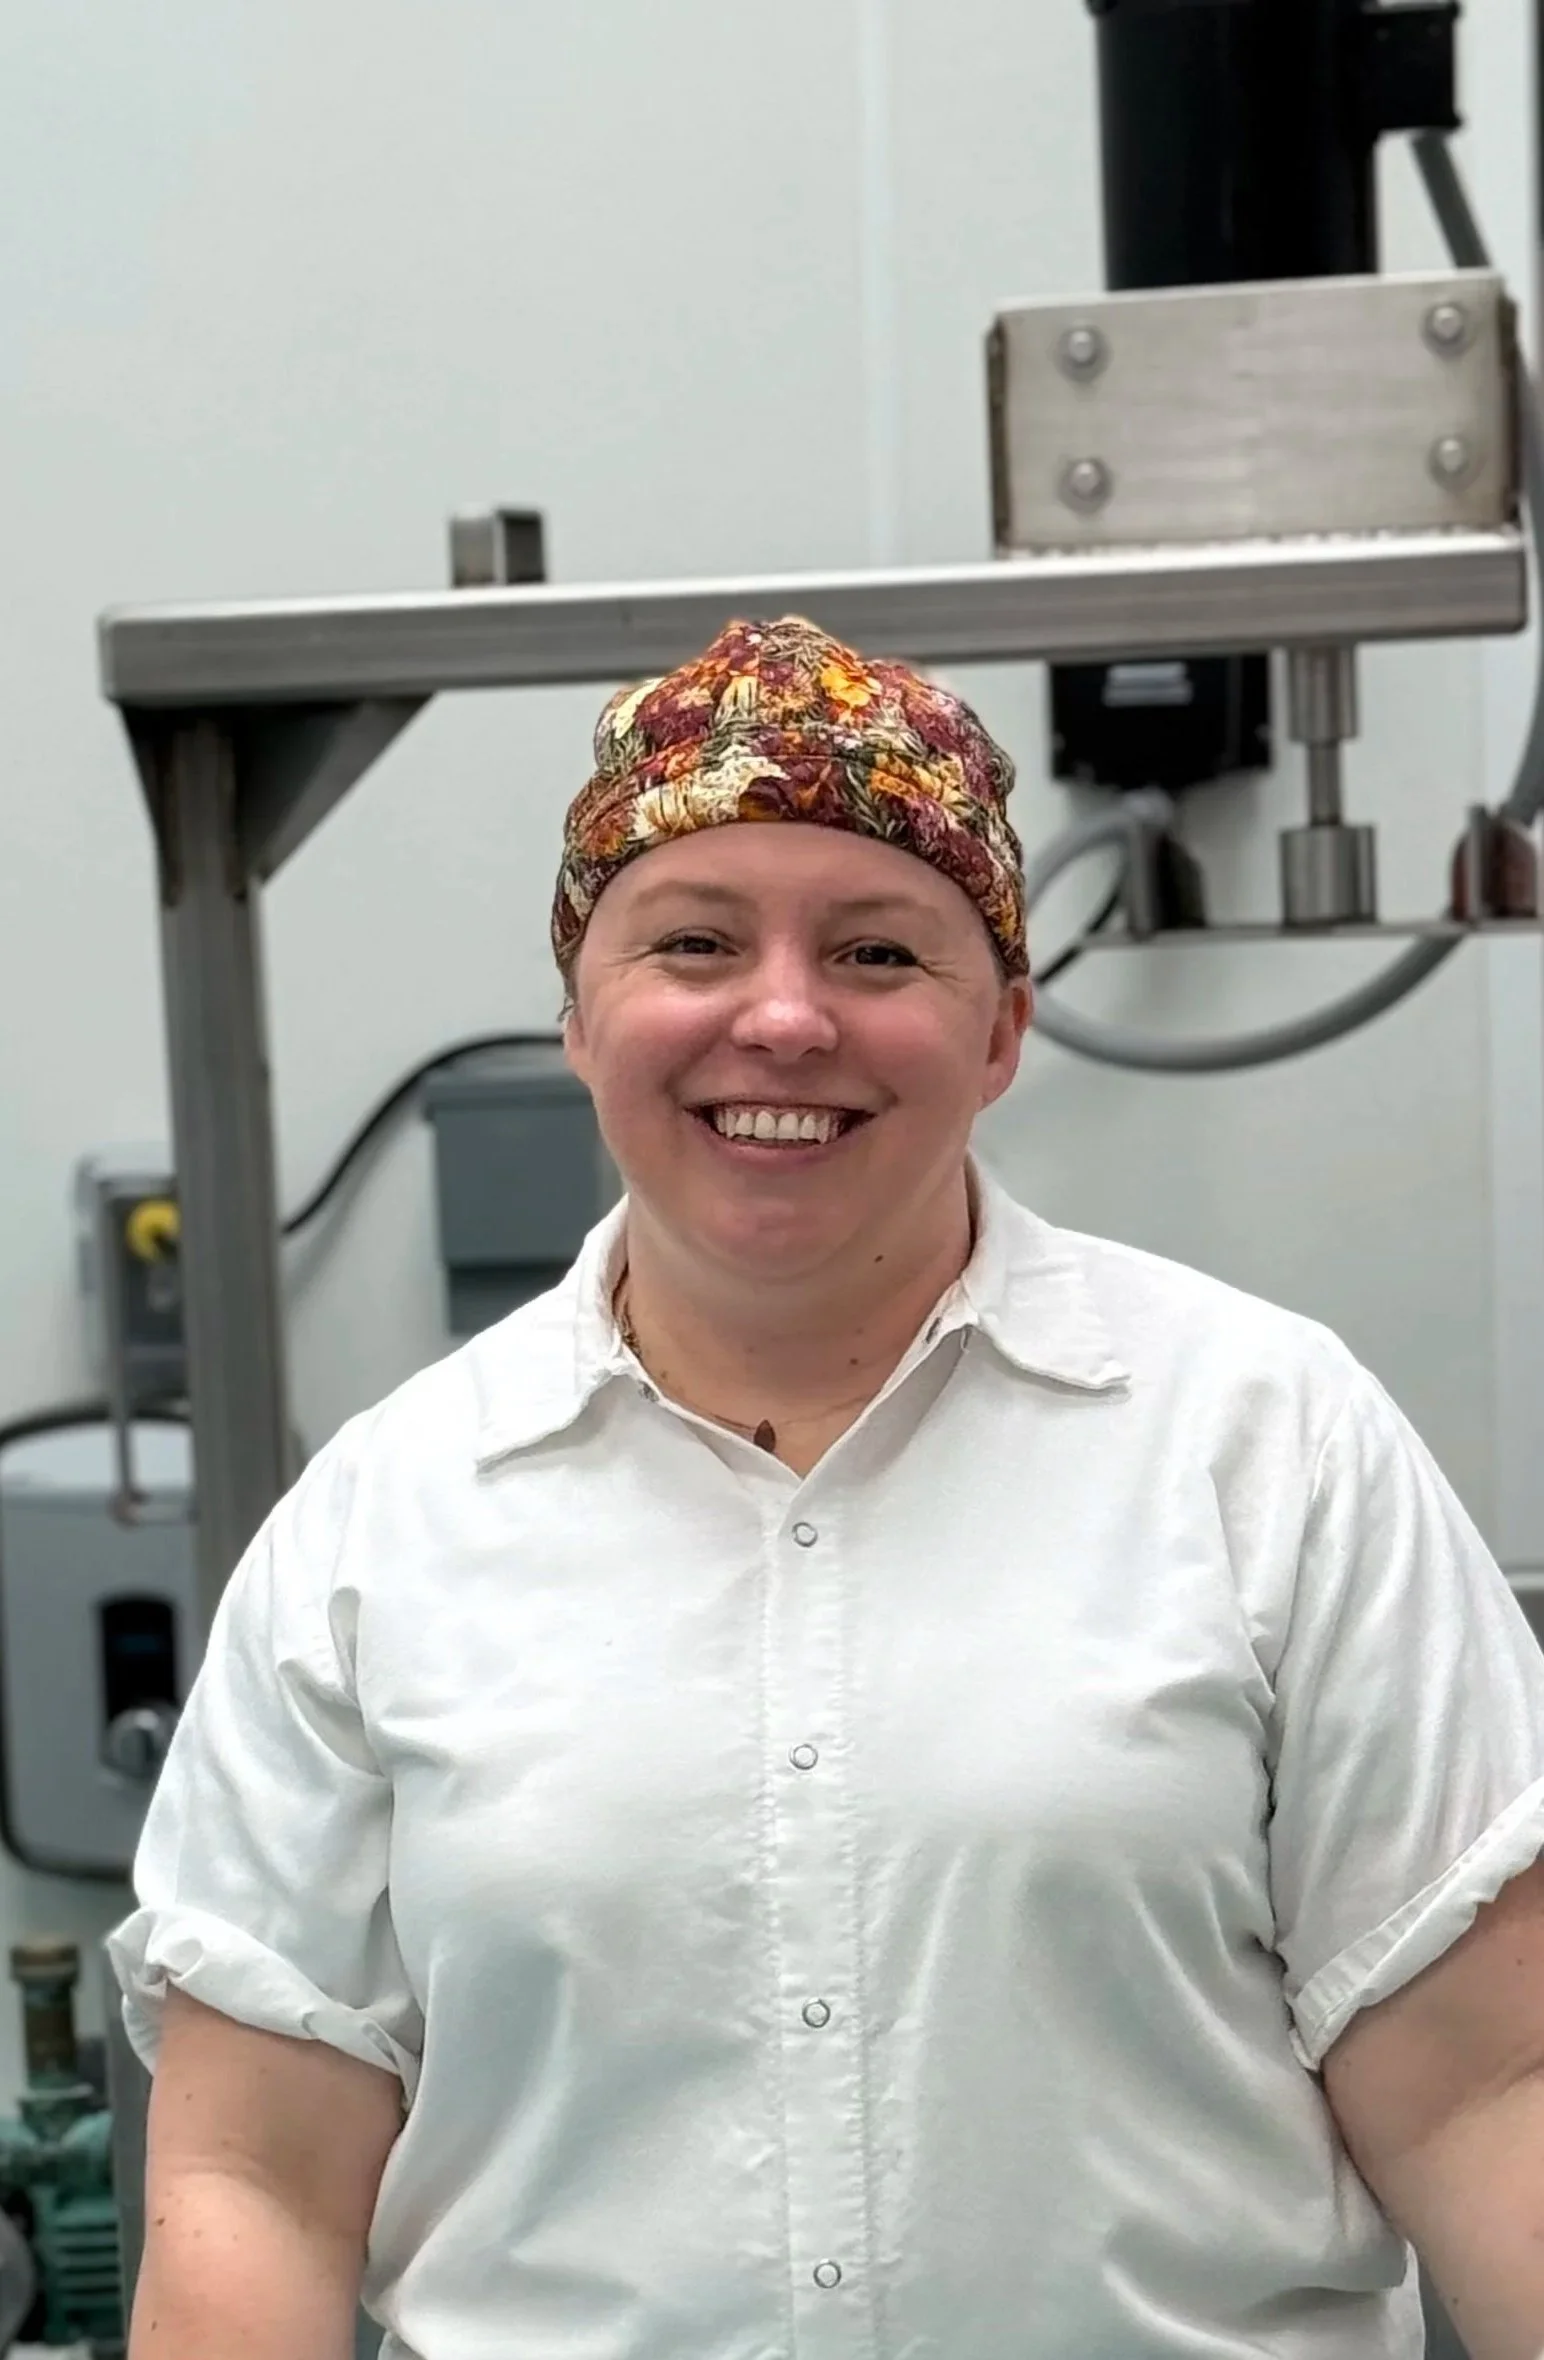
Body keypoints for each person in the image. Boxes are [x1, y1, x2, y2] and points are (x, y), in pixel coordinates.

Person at [109, 615, 1544, 2360]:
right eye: (694, 942)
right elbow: (255, 2182)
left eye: (877, 952)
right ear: (579, 1017)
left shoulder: (1266, 1444)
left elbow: (1490, 2093)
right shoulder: (382, 1525)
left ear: (1004, 1029)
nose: (782, 1019)